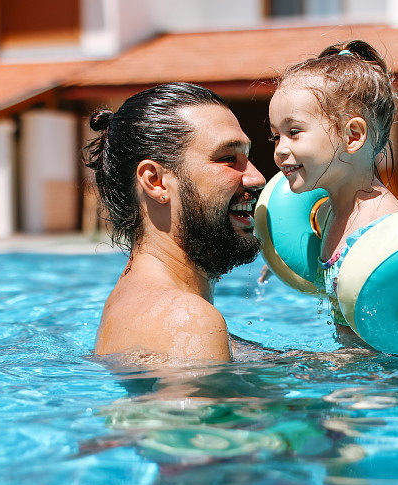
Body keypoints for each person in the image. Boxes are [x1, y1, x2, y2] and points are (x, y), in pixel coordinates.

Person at [267, 40, 398, 381]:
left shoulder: (384, 225)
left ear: (353, 135)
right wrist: (276, 259)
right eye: (275, 136)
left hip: (383, 377)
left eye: (293, 133)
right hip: (351, 365)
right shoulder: (326, 213)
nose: (280, 150)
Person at [85, 82, 266, 362]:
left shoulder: (135, 302)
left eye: (247, 156)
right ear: (155, 181)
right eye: (228, 158)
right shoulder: (188, 321)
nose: (256, 178)